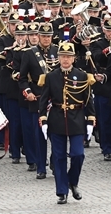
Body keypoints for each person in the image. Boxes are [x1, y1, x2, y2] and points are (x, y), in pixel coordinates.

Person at [38, 42, 95, 204]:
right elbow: (43, 100)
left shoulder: (82, 76)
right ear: (58, 58)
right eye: (62, 56)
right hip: (56, 119)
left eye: (68, 57)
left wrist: (90, 120)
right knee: (59, 157)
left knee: (78, 154)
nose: (65, 59)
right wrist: (43, 119)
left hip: (76, 119)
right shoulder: (51, 76)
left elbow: (88, 100)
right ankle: (62, 191)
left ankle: (72, 181)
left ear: (73, 58)